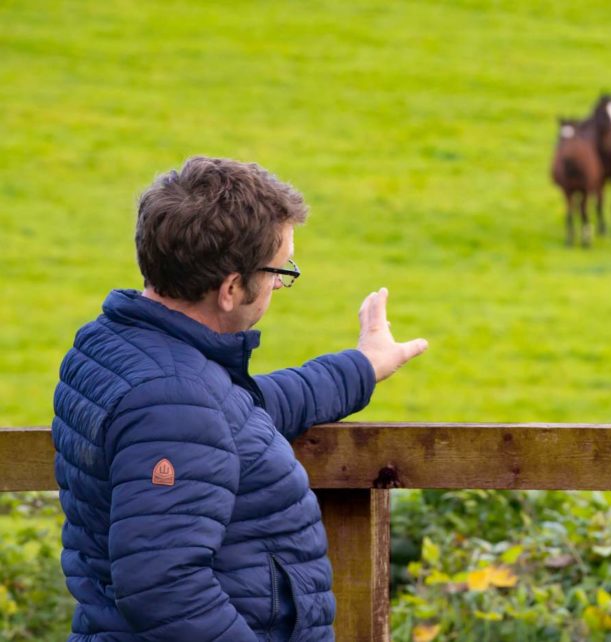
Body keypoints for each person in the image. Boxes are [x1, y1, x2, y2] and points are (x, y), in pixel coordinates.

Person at [50, 157, 427, 641]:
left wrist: (363, 366)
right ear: (230, 288)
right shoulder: (172, 398)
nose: (277, 284)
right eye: (278, 270)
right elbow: (164, 589)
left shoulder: (122, 348)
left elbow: (243, 411)